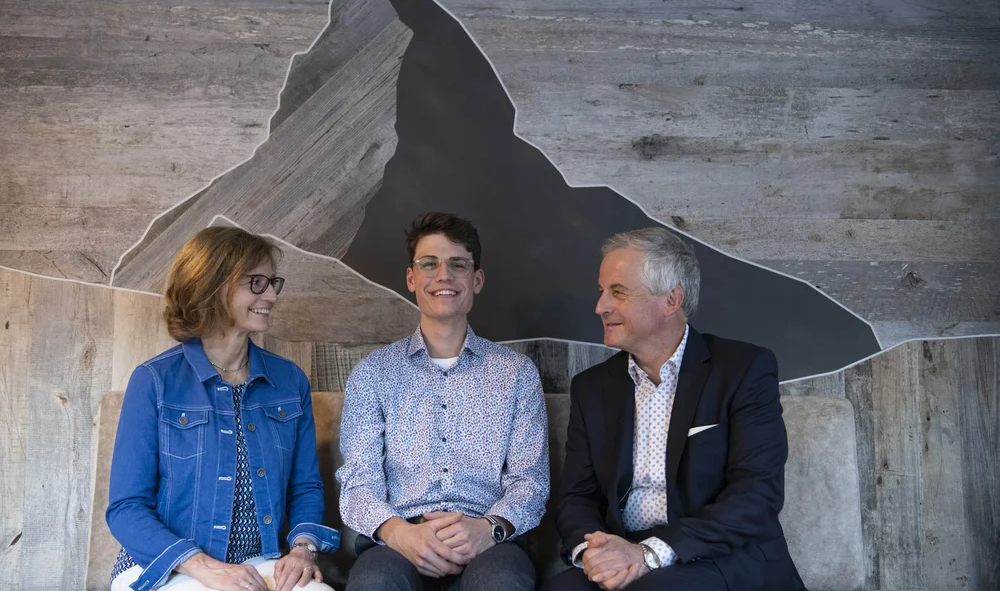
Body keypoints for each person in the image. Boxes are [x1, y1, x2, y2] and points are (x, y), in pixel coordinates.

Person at [545, 227, 806, 591]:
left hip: (717, 555)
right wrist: (595, 551)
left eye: (617, 292)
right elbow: (577, 496)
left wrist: (650, 554)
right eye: (601, 291)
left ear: (671, 301)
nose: (600, 306)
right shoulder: (592, 388)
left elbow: (756, 496)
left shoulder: (743, 369)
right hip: (624, 551)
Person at [107, 226, 340, 591]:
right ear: (214, 285)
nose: (272, 297)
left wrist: (302, 549)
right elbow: (126, 508)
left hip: (260, 562)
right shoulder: (154, 381)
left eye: (272, 283)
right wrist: (203, 567)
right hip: (164, 565)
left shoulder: (289, 381)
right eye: (256, 283)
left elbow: (305, 487)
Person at [336, 212, 549, 591]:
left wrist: (488, 529)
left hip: (488, 541)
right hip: (398, 539)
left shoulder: (516, 374)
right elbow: (358, 483)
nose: (443, 276)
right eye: (429, 264)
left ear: (476, 280)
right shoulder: (373, 374)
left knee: (500, 584)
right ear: (411, 278)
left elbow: (530, 482)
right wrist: (401, 534)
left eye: (458, 265)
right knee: (374, 585)